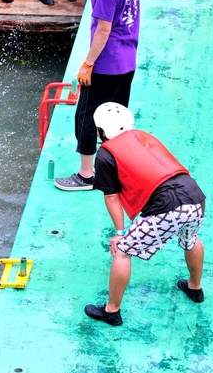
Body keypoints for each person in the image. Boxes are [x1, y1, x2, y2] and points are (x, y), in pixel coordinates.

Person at [83, 103, 206, 326]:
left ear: (102, 131)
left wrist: (119, 233)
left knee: (122, 251)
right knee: (190, 239)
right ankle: (195, 288)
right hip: (194, 195)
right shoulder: (140, 135)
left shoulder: (105, 153)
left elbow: (111, 197)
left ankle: (111, 310)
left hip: (168, 206)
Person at [55, 0, 140, 191]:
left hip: (106, 62)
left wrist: (88, 63)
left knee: (87, 116)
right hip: (127, 60)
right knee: (116, 117)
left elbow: (104, 30)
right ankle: (116, 168)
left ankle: (86, 175)